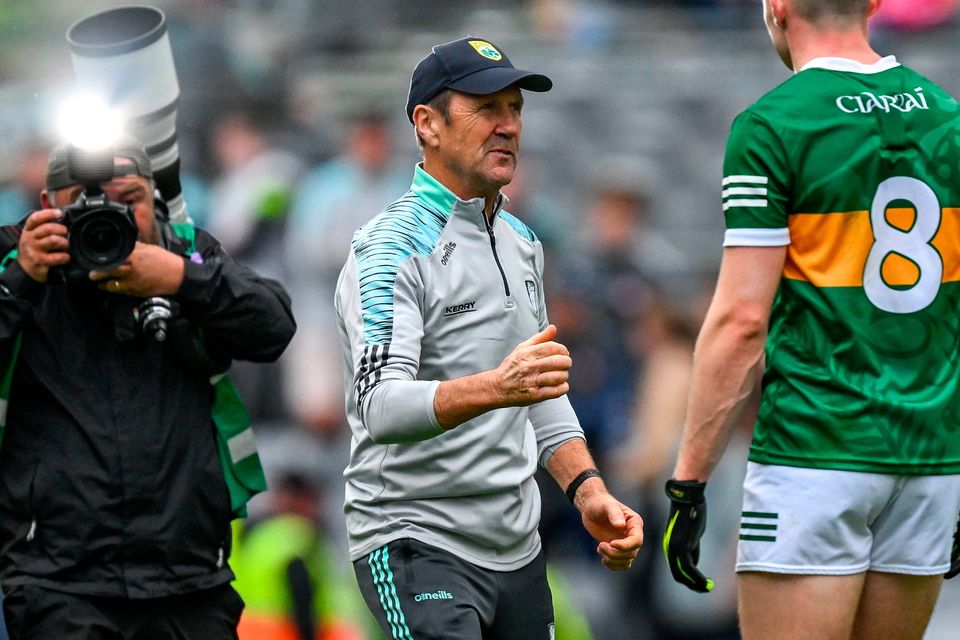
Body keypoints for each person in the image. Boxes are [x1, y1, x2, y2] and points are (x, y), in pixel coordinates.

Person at [662, 1, 960, 639]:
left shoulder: (773, 126)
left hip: (815, 454)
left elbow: (742, 323)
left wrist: (689, 483)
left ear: (777, 7)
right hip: (931, 460)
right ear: (875, 2)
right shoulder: (949, 118)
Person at [334, 36, 644, 639]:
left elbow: (540, 391)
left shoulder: (522, 241)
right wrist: (499, 387)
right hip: (415, 541)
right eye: (487, 108)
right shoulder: (389, 247)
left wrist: (588, 491)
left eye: (515, 109)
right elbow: (380, 407)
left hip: (517, 549)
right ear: (427, 124)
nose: (508, 126)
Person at [0, 135, 296, 639]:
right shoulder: (16, 257)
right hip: (59, 579)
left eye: (127, 199)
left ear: (154, 196)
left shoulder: (183, 253)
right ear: (49, 206)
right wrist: (22, 280)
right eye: (84, 203)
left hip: (190, 579)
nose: (108, 214)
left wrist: (181, 279)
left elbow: (273, 326)